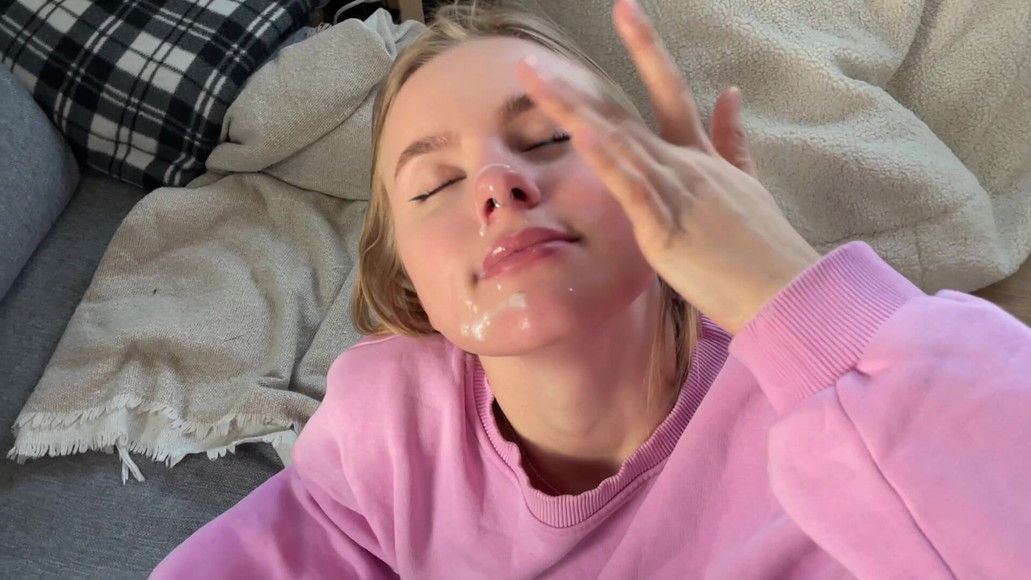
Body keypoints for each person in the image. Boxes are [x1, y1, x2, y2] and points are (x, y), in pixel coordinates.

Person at [153, 0, 1031, 577]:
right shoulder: (385, 424)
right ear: (405, 287)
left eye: (548, 139)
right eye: (434, 185)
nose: (496, 185)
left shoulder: (822, 420)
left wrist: (785, 289)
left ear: (658, 182)